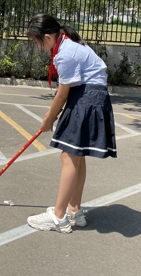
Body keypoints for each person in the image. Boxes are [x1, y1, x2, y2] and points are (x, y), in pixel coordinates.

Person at [25, 14, 116, 233]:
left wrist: (49, 118)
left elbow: (62, 94)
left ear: (48, 37)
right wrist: (52, 115)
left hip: (87, 100)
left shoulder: (65, 54)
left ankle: (58, 217)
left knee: (68, 156)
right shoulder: (68, 43)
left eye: (37, 42)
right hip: (92, 97)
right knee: (77, 156)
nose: (37, 46)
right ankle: (74, 210)